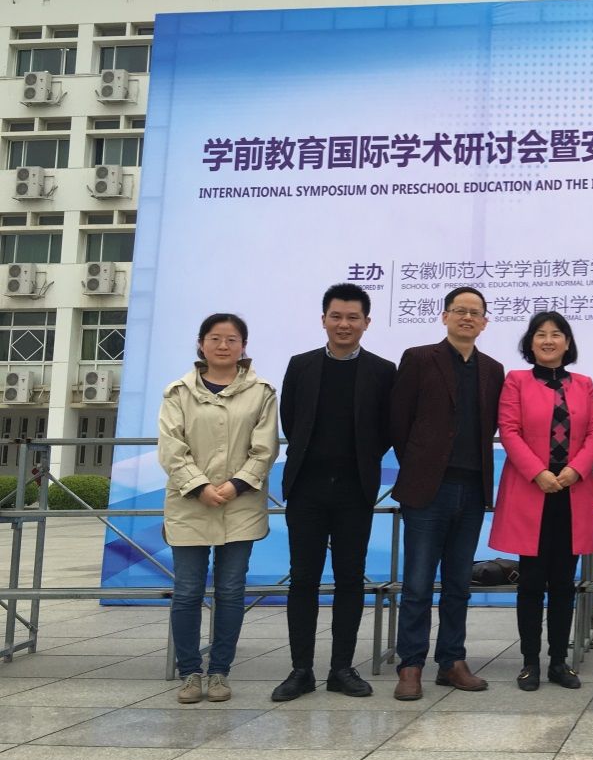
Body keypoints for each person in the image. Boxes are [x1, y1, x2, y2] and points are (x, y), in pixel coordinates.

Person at [270, 284, 396, 702]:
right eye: (336, 316)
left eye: (353, 317)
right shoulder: (301, 365)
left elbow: (385, 429)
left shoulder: (383, 371)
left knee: (350, 579)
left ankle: (341, 668)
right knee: (303, 579)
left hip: (354, 491)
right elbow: (291, 420)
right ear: (323, 319)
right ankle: (301, 670)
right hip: (306, 489)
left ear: (366, 323)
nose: (344, 324)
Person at [390, 286, 505, 699]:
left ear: (485, 322)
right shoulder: (419, 358)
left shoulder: (493, 369)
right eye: (460, 310)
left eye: (476, 312)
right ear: (445, 316)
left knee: (458, 583)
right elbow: (398, 420)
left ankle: (452, 661)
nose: (467, 317)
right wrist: (419, 465)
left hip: (472, 490)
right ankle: (411, 665)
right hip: (428, 490)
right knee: (418, 583)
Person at [158, 313, 279, 705]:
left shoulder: (261, 392)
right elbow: (171, 448)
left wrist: (235, 485)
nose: (223, 345)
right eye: (215, 338)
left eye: (231, 339)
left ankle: (220, 672)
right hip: (189, 503)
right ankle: (190, 673)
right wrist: (199, 487)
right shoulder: (178, 392)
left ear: (243, 346)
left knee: (230, 590)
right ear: (201, 343)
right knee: (187, 591)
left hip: (240, 503)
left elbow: (265, 448)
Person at [489, 311, 593, 691]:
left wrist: (577, 469)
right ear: (531, 342)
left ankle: (558, 662)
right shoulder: (516, 381)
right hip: (532, 491)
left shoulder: (583, 384)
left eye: (557, 334)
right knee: (531, 582)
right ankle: (529, 663)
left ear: (567, 343)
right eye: (541, 334)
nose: (549, 340)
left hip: (572, 491)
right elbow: (509, 430)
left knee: (563, 583)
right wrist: (538, 472)